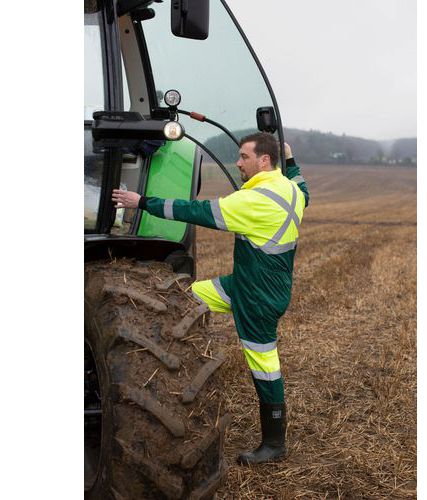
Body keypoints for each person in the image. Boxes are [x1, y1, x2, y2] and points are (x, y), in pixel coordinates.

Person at [112, 132, 309, 464]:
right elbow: (304, 189)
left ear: (264, 161)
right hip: (247, 284)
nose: (238, 162)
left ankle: (274, 444)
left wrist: (141, 201)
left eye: (244, 156)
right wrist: (290, 159)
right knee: (182, 298)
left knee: (265, 368)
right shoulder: (290, 190)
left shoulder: (254, 201)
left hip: (257, 298)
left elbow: (195, 210)